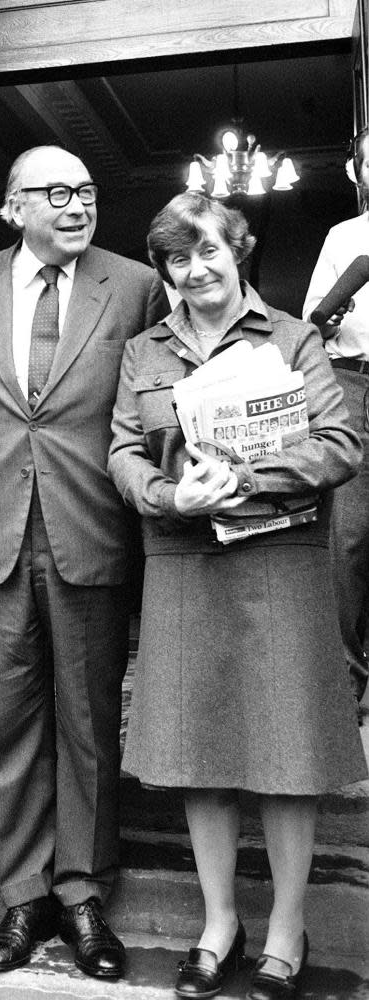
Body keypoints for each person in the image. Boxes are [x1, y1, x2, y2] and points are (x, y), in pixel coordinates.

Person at [108, 192, 366, 1000]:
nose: (195, 271)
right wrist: (163, 494)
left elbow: (341, 443)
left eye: (208, 252)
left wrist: (245, 480)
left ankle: (287, 926)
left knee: (286, 754)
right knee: (200, 754)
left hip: (279, 562)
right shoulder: (141, 351)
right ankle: (219, 921)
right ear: (163, 270)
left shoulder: (293, 338)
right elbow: (119, 446)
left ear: (238, 249)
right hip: (183, 560)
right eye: (177, 260)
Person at [0, 145, 167, 979]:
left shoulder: (135, 286)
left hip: (91, 526)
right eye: (55, 193)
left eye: (86, 189)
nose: (76, 205)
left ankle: (81, 894)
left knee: (84, 721)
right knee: (9, 725)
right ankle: (22, 894)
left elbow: (156, 399)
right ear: (12, 208)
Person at [303, 125, 369, 718]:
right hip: (351, 383)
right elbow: (310, 327)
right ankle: (346, 688)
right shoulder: (343, 238)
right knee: (346, 538)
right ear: (357, 173)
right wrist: (328, 315)